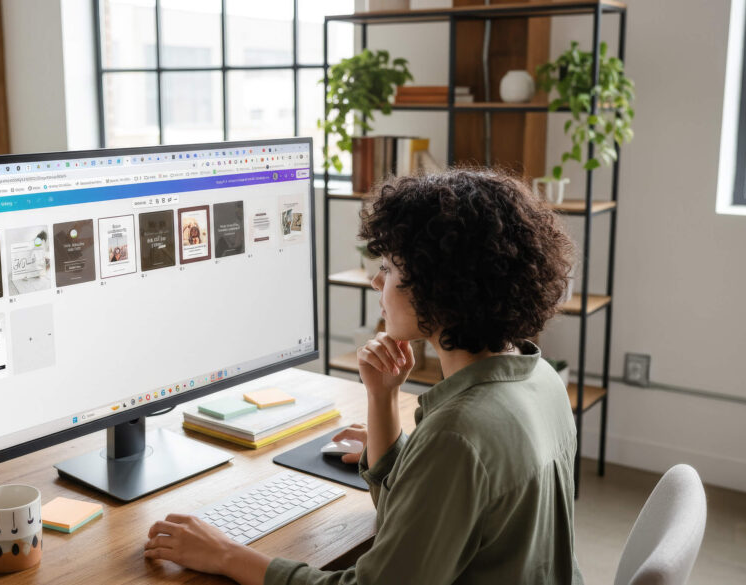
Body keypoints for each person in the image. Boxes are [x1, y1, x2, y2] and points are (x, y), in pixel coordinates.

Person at [143, 168, 581, 584]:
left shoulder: (458, 435)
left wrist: (226, 553)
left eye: (390, 269)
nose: (376, 282)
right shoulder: (541, 378)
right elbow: (411, 525)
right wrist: (382, 399)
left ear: (438, 287)